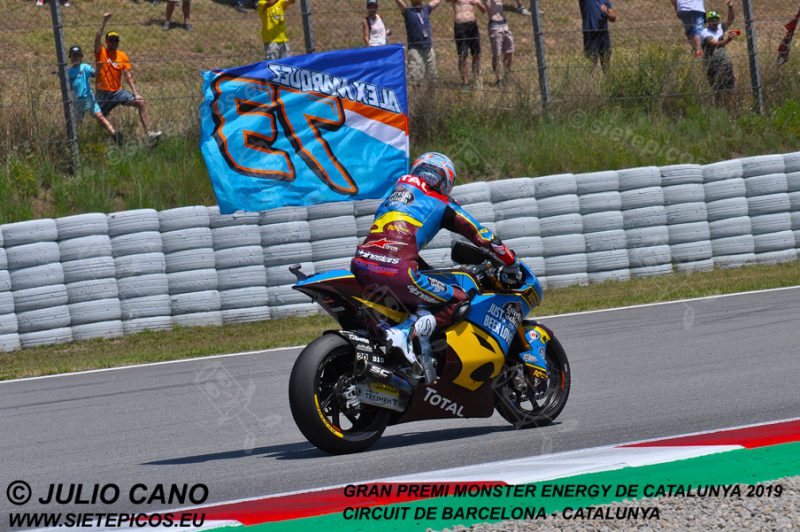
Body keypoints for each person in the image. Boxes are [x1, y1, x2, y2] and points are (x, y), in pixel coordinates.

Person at [350, 152, 520, 381]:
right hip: (398, 272)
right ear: (446, 182)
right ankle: (403, 334)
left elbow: (391, 245)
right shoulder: (443, 203)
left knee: (419, 291)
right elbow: (483, 236)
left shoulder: (394, 195)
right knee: (460, 298)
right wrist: (510, 260)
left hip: (361, 265)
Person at [94, 13, 161, 142]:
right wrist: (104, 21)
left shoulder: (122, 55)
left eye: (116, 40)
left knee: (141, 103)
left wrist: (136, 93)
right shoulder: (101, 52)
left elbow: (128, 75)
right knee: (100, 118)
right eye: (111, 40)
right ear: (106, 41)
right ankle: (104, 140)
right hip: (103, 92)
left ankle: (149, 134)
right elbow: (97, 39)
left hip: (117, 92)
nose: (113, 43)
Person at [67, 45, 121, 143]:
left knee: (100, 117)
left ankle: (114, 135)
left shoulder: (84, 67)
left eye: (77, 56)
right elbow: (69, 87)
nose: (75, 58)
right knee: (77, 123)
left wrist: (99, 68)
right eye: (73, 56)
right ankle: (77, 142)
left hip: (89, 99)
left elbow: (95, 74)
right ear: (70, 57)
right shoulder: (69, 72)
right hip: (77, 102)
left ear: (81, 57)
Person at [700, 2, 739, 106]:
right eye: (712, 20)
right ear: (708, 21)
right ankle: (719, 109)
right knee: (717, 90)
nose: (714, 22)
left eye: (716, 19)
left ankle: (729, 107)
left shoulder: (720, 28)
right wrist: (728, 39)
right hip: (712, 65)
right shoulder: (705, 33)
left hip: (725, 63)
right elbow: (716, 44)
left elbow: (730, 19)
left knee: (729, 88)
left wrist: (730, 7)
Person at [395, 0, 442, 84]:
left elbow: (435, 2)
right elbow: (399, 3)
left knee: (432, 75)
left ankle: (431, 92)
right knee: (415, 76)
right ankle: (415, 92)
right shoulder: (408, 12)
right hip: (415, 49)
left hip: (428, 47)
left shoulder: (426, 9)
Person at [448, 0, 486, 86]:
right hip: (460, 26)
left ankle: (476, 79)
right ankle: (465, 83)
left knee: (476, 54)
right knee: (462, 55)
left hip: (472, 26)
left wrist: (478, 3)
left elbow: (484, 11)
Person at [579, 0, 617, 72]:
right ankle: (589, 78)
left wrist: (607, 11)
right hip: (590, 33)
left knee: (606, 60)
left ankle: (607, 77)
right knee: (590, 61)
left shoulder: (605, 1)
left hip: (603, 33)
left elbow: (613, 18)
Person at [484, 0, 515, 85]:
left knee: (509, 52)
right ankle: (498, 78)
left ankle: (506, 76)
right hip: (494, 25)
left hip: (505, 24)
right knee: (497, 54)